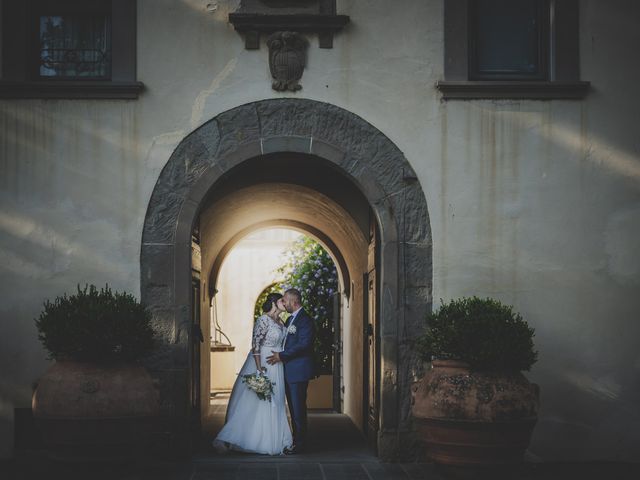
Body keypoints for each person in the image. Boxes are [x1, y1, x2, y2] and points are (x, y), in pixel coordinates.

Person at [213, 293, 293, 455]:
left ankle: (274, 438)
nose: (284, 303)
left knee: (276, 401)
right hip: (263, 362)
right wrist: (258, 368)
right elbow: (255, 344)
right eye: (281, 300)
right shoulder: (263, 320)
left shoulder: (281, 322)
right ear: (273, 302)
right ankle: (246, 437)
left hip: (277, 365)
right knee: (257, 401)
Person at [267, 288, 316, 454]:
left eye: (286, 301)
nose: (284, 303)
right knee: (294, 409)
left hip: (298, 371)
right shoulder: (289, 320)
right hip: (288, 371)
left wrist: (281, 355)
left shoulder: (305, 320)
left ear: (294, 302)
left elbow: (304, 344)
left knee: (297, 409)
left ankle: (300, 444)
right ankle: (297, 440)